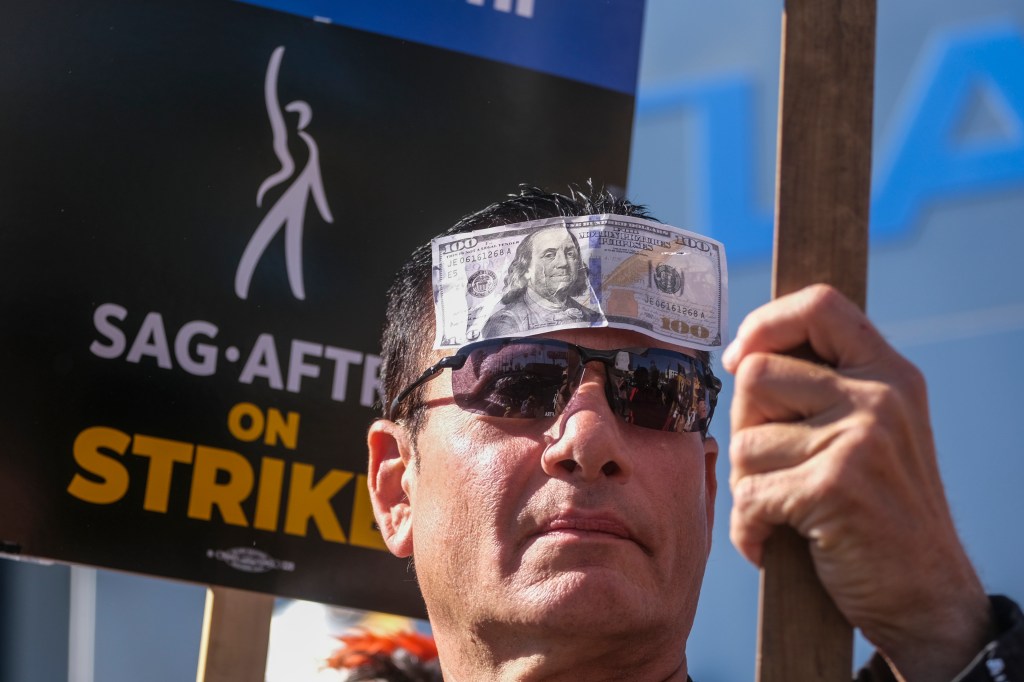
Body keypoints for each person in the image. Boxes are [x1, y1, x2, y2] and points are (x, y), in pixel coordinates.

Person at [367, 185, 1022, 681]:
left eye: (657, 393)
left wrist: (944, 627)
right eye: (520, 382)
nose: (591, 439)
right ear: (396, 490)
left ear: (709, 490)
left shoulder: (950, 650)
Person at [480, 225, 602, 338]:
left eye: (570, 254)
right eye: (549, 255)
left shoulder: (593, 317)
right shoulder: (505, 322)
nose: (563, 263)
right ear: (526, 269)